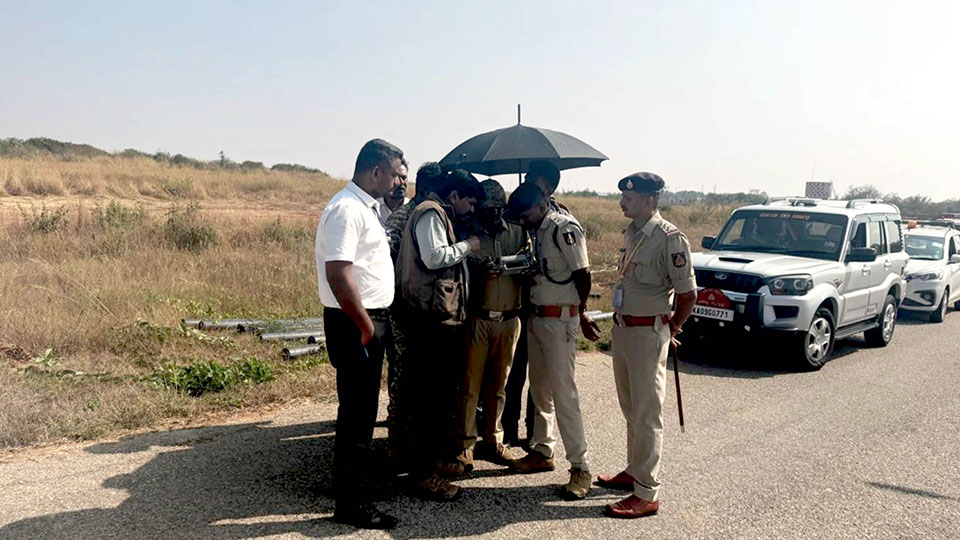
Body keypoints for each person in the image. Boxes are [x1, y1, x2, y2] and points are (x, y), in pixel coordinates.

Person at [314, 138, 405, 530]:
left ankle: (354, 490)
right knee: (357, 414)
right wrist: (366, 326)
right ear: (375, 172)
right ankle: (352, 504)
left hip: (365, 320)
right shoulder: (347, 210)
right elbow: (338, 271)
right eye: (395, 173)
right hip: (358, 323)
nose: (399, 180)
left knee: (361, 412)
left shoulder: (366, 208)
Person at [596, 172, 697, 519]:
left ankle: (647, 492)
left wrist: (675, 324)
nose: (623, 202)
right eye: (623, 196)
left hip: (648, 334)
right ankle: (634, 471)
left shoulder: (670, 238)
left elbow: (688, 293)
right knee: (630, 408)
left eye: (631, 197)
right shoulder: (632, 233)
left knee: (647, 413)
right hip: (624, 330)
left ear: (650, 201)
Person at [505, 182, 601, 501]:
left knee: (564, 394)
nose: (522, 220)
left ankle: (580, 467)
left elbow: (583, 274)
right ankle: (542, 451)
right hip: (537, 317)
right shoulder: (537, 229)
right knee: (540, 390)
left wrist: (581, 313)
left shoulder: (564, 227)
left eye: (526, 213)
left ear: (543, 204)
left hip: (560, 319)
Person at [394, 168, 482, 500]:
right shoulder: (431, 213)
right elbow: (434, 258)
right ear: (454, 196)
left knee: (429, 398)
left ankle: (423, 466)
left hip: (428, 320)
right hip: (430, 323)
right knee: (431, 400)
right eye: (468, 201)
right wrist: (466, 245)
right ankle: (424, 475)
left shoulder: (433, 212)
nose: (471, 208)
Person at [452, 180, 526, 471]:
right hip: (477, 318)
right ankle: (464, 446)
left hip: (509, 320)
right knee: (469, 387)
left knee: (499, 386)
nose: (493, 215)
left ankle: (494, 441)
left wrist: (521, 268)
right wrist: (478, 268)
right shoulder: (467, 235)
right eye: (486, 209)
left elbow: (531, 269)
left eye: (498, 209)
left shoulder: (519, 235)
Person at [383, 162, 444, 471]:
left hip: (404, 307)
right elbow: (386, 260)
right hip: (406, 309)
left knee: (404, 380)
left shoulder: (407, 213)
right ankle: (401, 450)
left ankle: (399, 447)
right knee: (407, 381)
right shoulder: (412, 217)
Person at [502, 160, 567, 447]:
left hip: (546, 306)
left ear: (549, 188)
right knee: (513, 371)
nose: (526, 182)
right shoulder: (514, 209)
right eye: (525, 177)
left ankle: (535, 433)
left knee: (540, 379)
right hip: (517, 301)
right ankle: (507, 429)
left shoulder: (562, 217)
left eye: (533, 180)